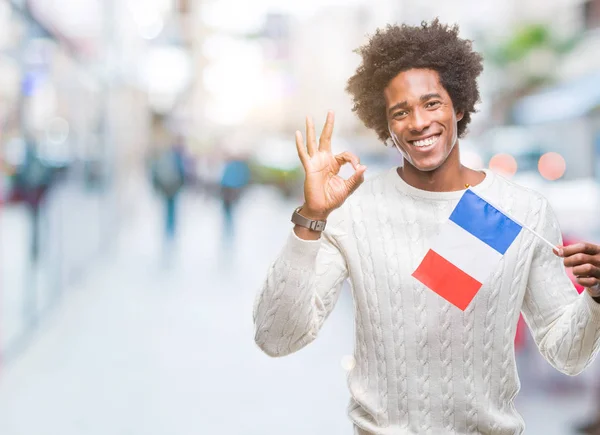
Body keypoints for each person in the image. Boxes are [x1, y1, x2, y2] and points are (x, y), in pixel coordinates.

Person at [252, 20, 600, 434]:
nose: (418, 122)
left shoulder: (518, 210)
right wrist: (312, 217)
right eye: (401, 111)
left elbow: (568, 355)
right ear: (386, 126)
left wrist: (595, 297)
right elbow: (277, 338)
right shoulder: (354, 211)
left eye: (432, 103)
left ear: (459, 106)